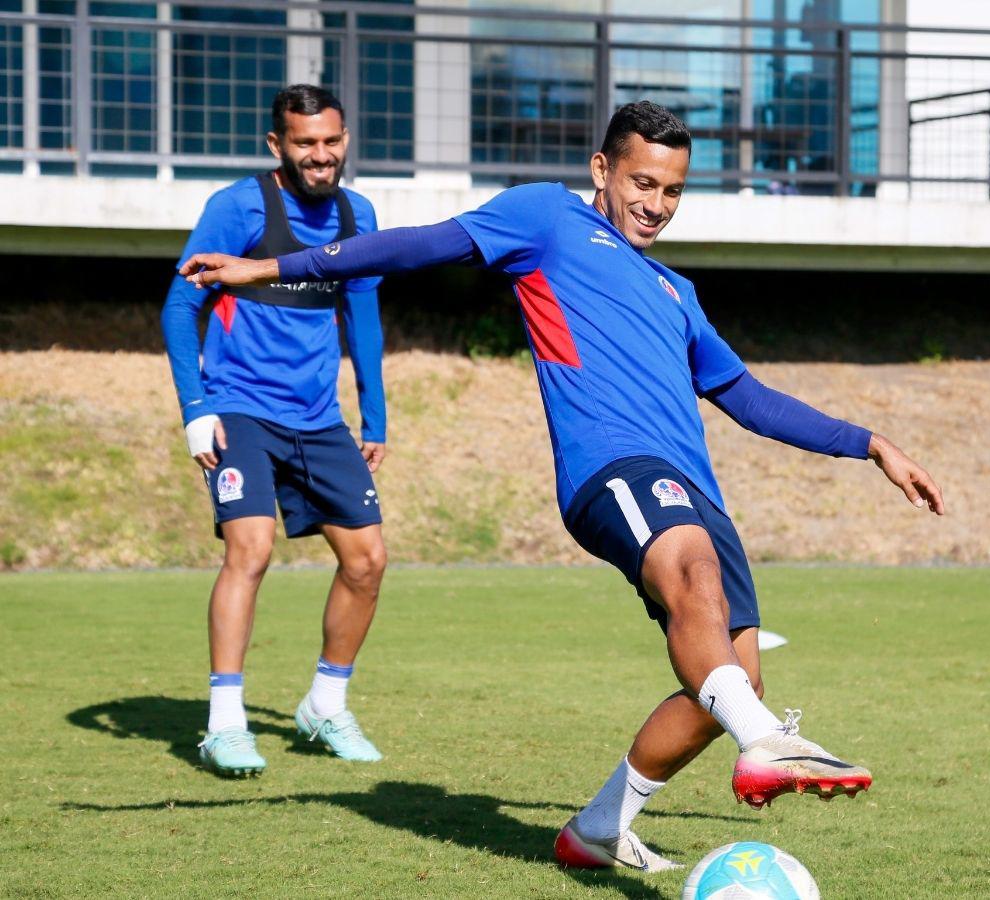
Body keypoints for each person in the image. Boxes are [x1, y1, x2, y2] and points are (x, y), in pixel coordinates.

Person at [180, 101, 944, 864]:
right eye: (642, 182)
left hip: (695, 488)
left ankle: (598, 828)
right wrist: (271, 266)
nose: (655, 203)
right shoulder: (545, 218)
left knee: (729, 682)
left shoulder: (677, 291)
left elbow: (748, 399)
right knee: (695, 580)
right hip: (611, 467)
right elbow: (414, 247)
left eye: (672, 191)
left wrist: (869, 443)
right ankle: (769, 741)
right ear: (603, 170)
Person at [161, 85, 388, 777]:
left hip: (320, 420)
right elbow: (180, 304)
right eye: (304, 143)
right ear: (276, 145)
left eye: (331, 141)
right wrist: (195, 407)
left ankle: (325, 704)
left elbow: (364, 319)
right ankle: (225, 725)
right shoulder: (237, 207)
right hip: (238, 408)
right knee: (250, 550)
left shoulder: (359, 213)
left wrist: (373, 414)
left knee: (367, 561)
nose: (321, 156)